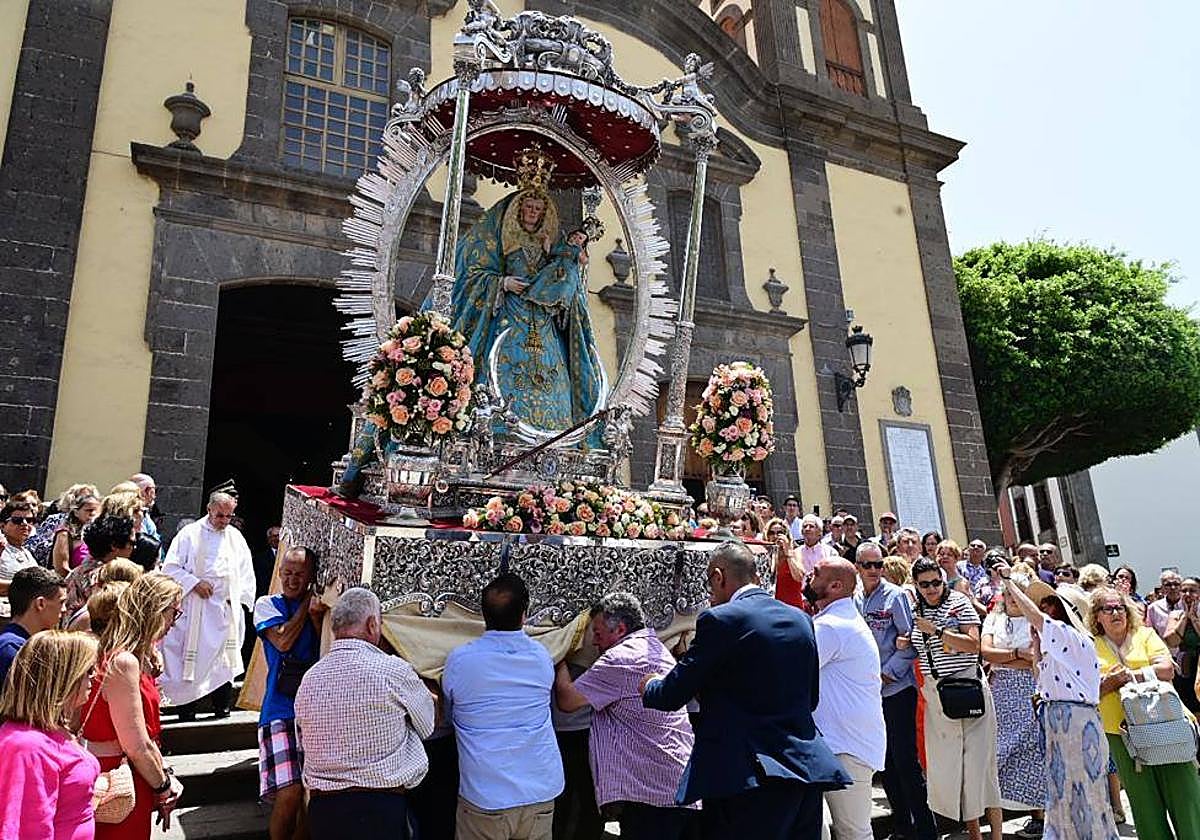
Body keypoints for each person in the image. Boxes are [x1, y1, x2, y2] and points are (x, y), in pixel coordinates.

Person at [641, 541, 850, 839]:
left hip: (750, 776)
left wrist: (648, 685)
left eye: (710, 586)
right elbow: (810, 699)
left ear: (718, 576)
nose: (710, 596)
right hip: (804, 768)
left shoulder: (720, 619)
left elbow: (671, 695)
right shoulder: (800, 618)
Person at [553, 593, 697, 840]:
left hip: (655, 797)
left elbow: (567, 700)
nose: (595, 644)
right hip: (671, 788)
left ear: (619, 629)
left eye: (597, 634)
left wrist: (558, 653)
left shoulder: (621, 658)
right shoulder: (653, 646)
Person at [295, 587, 434, 839]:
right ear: (372, 625)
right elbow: (428, 726)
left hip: (324, 811)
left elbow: (302, 742)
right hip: (380, 809)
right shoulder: (393, 670)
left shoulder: (309, 679)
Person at [992, 566, 1119, 840]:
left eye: (1051, 602)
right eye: (1044, 603)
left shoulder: (1071, 636)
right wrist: (1037, 648)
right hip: (1057, 721)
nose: (1044, 606)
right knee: (1062, 797)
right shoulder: (1058, 643)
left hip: (1074, 723)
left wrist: (1009, 584)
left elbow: (1035, 618)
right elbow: (1041, 678)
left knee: (1083, 798)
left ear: (1065, 610)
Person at [442, 573, 564, 839]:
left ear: (483, 615)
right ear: (525, 614)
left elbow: (449, 709)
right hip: (538, 790)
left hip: (487, 793)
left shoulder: (461, 660)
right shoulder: (541, 656)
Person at [1092, 585, 1200, 839]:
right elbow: (1088, 689)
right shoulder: (1090, 646)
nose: (1115, 612)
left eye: (1119, 607)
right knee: (1144, 803)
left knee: (1186, 793)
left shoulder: (1146, 635)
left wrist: (1129, 676)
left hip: (1167, 724)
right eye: (1107, 609)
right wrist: (1107, 684)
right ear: (1097, 616)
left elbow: (1166, 669)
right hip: (1120, 731)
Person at [83, 572, 185, 840]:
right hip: (119, 777)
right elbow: (136, 745)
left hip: (126, 772)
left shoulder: (126, 656)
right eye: (174, 613)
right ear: (154, 610)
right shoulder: (123, 661)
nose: (174, 623)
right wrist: (163, 785)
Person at [909, 557, 1003, 840]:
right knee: (955, 772)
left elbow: (973, 644)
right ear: (916, 585)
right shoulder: (917, 608)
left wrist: (938, 632)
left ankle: (996, 836)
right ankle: (975, 835)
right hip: (937, 696)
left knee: (981, 769)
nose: (932, 588)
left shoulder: (958, 603)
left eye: (936, 582)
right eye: (925, 584)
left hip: (966, 689)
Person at [853, 542, 936, 840]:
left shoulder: (896, 596)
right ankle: (902, 826)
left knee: (905, 762)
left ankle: (926, 830)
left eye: (879, 565)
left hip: (896, 689)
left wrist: (888, 674)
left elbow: (911, 641)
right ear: (858, 566)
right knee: (885, 762)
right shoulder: (856, 598)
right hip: (870, 692)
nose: (875, 571)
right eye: (868, 565)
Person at [806, 556, 885, 840]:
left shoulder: (833, 625)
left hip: (845, 746)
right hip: (838, 742)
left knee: (854, 832)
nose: (808, 576)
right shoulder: (836, 619)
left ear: (836, 586)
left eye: (815, 573)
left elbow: (796, 669)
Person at [160, 491, 256, 719]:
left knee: (224, 662)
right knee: (189, 662)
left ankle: (221, 708)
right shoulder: (189, 535)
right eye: (220, 515)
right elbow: (171, 568)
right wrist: (194, 583)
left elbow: (245, 572)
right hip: (196, 609)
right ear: (208, 510)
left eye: (228, 516)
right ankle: (187, 710)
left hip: (224, 612)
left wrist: (239, 599)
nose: (224, 521)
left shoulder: (235, 538)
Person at [0, 630, 101, 840]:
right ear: (62, 677)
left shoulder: (51, 729)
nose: (94, 676)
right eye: (88, 670)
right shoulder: (27, 745)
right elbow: (25, 831)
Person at [255, 547, 324, 840]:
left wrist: (317, 618)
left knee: (313, 794)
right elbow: (282, 641)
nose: (292, 580)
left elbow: (325, 646)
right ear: (279, 573)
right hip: (279, 709)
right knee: (291, 791)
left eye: (300, 575)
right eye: (288, 573)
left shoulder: (319, 610)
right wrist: (308, 604)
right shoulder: (266, 604)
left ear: (310, 577)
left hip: (311, 710)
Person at [979, 576, 1045, 837]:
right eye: (1007, 595)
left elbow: (1037, 658)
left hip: (1031, 688)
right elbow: (986, 651)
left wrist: (1009, 658)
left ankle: (1039, 816)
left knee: (1033, 750)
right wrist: (1018, 655)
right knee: (1000, 751)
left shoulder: (1035, 620)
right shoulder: (993, 620)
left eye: (1015, 594)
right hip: (1002, 693)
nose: (1011, 599)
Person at [0, 566, 67, 692]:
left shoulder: (26, 643)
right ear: (40, 604)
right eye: (61, 602)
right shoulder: (11, 650)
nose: (64, 610)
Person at [64, 514, 137, 618]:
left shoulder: (78, 572)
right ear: (114, 546)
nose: (133, 548)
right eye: (132, 543)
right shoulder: (101, 580)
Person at [1163, 577, 1200, 714]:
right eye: (1184, 591)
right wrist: (1185, 617)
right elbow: (1172, 641)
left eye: (1192, 591)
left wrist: (1194, 618)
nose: (1188, 594)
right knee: (1190, 704)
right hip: (1186, 666)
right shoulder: (1175, 615)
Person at [0, 500, 39, 618]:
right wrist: (23, 586)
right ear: (2, 526)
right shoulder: (1, 549)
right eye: (17, 520)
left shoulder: (27, 552)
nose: (25, 524)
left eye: (29, 520)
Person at [50, 490, 102, 576]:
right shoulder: (65, 534)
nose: (93, 514)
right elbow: (61, 568)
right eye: (89, 510)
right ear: (76, 512)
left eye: (96, 511)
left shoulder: (99, 533)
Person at [1146, 569, 1184, 642]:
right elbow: (1150, 633)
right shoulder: (1153, 608)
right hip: (1163, 650)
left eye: (1176, 584)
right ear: (1162, 588)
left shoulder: (1188, 606)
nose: (1173, 588)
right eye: (1168, 585)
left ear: (1181, 586)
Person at [128, 474, 160, 542]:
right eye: (153, 491)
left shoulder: (145, 514)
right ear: (145, 491)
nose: (154, 496)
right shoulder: (135, 515)